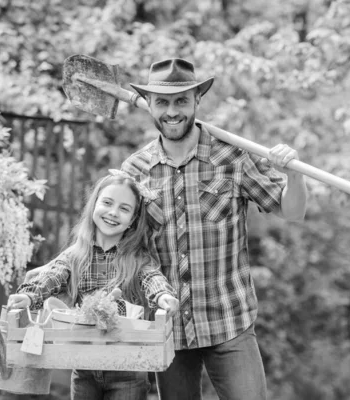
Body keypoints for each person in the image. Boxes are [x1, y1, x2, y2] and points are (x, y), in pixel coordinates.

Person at [121, 58, 309, 400]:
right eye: (162, 102)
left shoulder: (231, 158)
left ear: (197, 101)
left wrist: (293, 174)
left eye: (181, 100)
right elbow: (121, 249)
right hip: (169, 329)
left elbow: (292, 212)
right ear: (149, 104)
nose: (172, 111)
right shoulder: (135, 170)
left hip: (229, 322)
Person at [6, 171, 179, 400]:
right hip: (84, 366)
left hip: (126, 369)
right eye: (107, 202)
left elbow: (152, 278)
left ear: (133, 220)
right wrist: (29, 296)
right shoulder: (76, 255)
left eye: (124, 209)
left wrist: (162, 296)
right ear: (94, 205)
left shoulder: (137, 259)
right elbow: (53, 275)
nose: (113, 213)